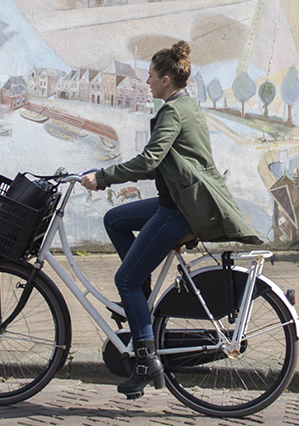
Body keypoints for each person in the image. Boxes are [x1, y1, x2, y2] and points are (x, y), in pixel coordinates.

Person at [81, 40, 263, 399]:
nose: (146, 82)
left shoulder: (172, 112)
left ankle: (147, 362)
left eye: (150, 76)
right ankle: (142, 303)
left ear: (165, 79)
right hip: (176, 202)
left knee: (125, 279)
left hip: (178, 212)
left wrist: (102, 177)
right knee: (115, 219)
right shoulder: (187, 105)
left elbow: (149, 161)